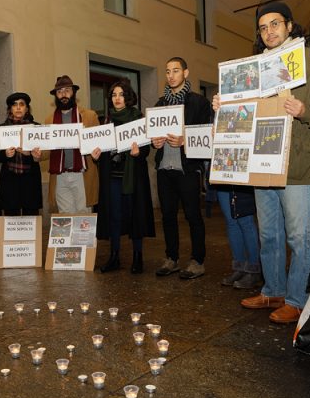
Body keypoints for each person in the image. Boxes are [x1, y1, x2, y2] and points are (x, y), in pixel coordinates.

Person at [213, 1, 310, 323]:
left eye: (275, 24)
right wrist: (224, 105)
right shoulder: (255, 67)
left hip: (298, 162)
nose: (269, 31)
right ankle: (273, 289)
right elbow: (244, 110)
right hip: (261, 160)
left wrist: (305, 111)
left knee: (299, 235)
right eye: (263, 27)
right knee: (268, 233)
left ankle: (298, 299)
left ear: (289, 25)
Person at [151, 57, 213, 279]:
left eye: (175, 70)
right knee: (168, 216)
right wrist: (155, 142)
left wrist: (185, 140)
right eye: (167, 71)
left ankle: (198, 261)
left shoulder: (199, 102)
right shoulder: (159, 105)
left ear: (185, 73)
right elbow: (153, 135)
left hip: (187, 168)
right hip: (164, 169)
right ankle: (172, 259)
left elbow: (208, 133)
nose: (171, 75)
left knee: (193, 215)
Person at [91, 80, 155, 274]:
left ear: (128, 98)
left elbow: (146, 148)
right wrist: (95, 157)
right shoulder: (106, 121)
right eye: (113, 95)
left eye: (121, 94)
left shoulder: (138, 118)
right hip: (112, 177)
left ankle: (138, 257)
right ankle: (115, 256)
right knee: (114, 217)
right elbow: (103, 151)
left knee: (135, 215)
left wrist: (138, 152)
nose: (117, 98)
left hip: (133, 176)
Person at [43, 75, 99, 214]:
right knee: (65, 217)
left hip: (82, 174)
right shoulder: (50, 120)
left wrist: (96, 152)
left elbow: (99, 143)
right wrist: (37, 153)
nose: (64, 95)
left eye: (67, 90)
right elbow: (47, 150)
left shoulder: (89, 116)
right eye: (60, 91)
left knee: (84, 216)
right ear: (56, 95)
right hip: (60, 175)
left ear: (74, 93)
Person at [0, 92, 43, 216]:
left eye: (22, 104)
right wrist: (6, 154)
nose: (18, 107)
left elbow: (42, 154)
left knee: (31, 217)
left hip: (30, 180)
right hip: (10, 181)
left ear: (26, 108)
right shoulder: (3, 128)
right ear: (10, 109)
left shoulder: (36, 127)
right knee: (11, 218)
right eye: (14, 105)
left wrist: (32, 155)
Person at [211, 184, 262, 289]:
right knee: (231, 222)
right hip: (223, 176)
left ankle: (254, 269)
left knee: (245, 221)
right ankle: (240, 267)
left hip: (241, 175)